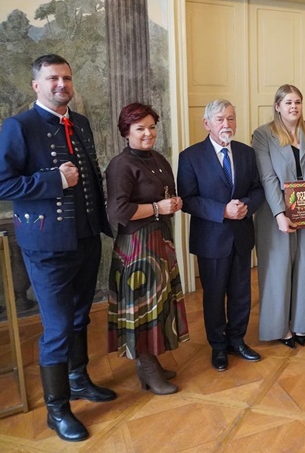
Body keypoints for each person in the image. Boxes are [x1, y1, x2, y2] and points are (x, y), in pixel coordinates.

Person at [0, 54, 115, 442]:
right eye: (53, 78)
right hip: (47, 246)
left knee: (80, 318)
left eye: (67, 78)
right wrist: (53, 181)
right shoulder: (19, 127)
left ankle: (78, 379)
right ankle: (56, 411)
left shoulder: (81, 123)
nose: (62, 84)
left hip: (87, 237)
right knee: (57, 328)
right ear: (36, 85)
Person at [105, 103, 189, 395]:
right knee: (143, 309)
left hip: (159, 240)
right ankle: (148, 369)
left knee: (159, 305)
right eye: (140, 128)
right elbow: (117, 211)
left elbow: (165, 195)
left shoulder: (158, 158)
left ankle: (149, 364)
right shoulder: (120, 165)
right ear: (126, 132)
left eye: (152, 127)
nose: (148, 133)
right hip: (137, 248)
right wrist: (157, 207)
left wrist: (173, 203)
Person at [178, 100, 265, 372]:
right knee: (214, 295)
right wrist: (222, 211)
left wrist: (246, 207)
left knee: (241, 293)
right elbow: (188, 200)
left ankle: (237, 340)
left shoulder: (246, 153)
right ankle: (218, 346)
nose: (226, 124)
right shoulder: (190, 156)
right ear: (207, 124)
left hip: (241, 235)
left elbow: (257, 190)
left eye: (231, 118)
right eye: (219, 119)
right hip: (211, 239)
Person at [253, 85, 305, 347]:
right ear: (277, 106)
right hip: (276, 213)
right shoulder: (263, 135)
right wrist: (279, 213)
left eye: (297, 102)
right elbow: (267, 177)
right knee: (277, 268)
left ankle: (301, 324)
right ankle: (279, 328)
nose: (293, 107)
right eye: (288, 103)